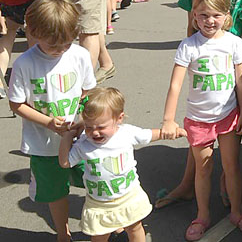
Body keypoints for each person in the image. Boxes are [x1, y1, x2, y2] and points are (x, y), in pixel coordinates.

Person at [161, 0, 242, 240]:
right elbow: (175, 84)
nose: (209, 20)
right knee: (203, 169)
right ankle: (202, 215)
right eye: (203, 15)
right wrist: (168, 119)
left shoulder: (234, 43)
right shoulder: (188, 46)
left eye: (215, 15)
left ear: (226, 16)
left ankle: (236, 211)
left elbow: (241, 83)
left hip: (228, 116)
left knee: (231, 166)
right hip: (199, 119)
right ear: (194, 16)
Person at [8, 0, 97, 242]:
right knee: (56, 191)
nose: (60, 49)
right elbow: (16, 103)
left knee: (96, 179)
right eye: (53, 45)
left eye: (66, 43)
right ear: (34, 32)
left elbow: (87, 90)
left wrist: (84, 118)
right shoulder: (25, 63)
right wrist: (48, 122)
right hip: (43, 145)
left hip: (81, 139)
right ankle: (63, 233)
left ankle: (105, 226)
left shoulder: (78, 55)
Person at [57, 87, 185, 242]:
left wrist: (171, 133)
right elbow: (65, 162)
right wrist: (67, 137)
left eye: (101, 127)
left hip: (128, 196)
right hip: (99, 203)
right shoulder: (84, 143)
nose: (94, 132)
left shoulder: (127, 133)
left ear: (119, 118)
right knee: (99, 235)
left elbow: (149, 135)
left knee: (135, 228)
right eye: (89, 127)